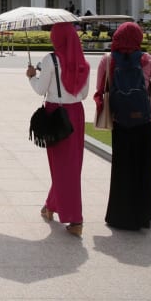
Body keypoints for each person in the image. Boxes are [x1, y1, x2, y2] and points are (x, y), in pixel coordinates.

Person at [93, 21, 151, 231]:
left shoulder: (108, 60)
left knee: (122, 168)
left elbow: (100, 89)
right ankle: (144, 214)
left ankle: (120, 215)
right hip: (146, 119)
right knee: (144, 167)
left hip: (120, 119)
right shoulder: (146, 59)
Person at [26, 22, 90, 236]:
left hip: (56, 114)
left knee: (61, 167)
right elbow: (83, 95)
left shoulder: (50, 60)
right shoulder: (82, 62)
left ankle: (75, 219)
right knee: (71, 166)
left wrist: (31, 76)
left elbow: (39, 89)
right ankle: (50, 206)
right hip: (76, 113)